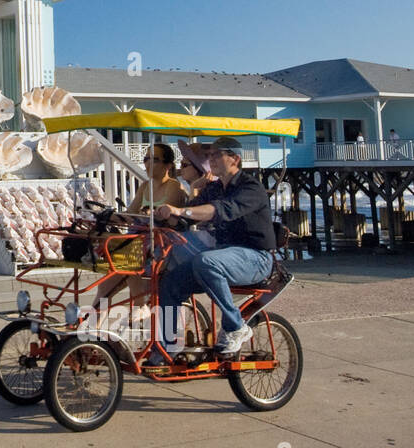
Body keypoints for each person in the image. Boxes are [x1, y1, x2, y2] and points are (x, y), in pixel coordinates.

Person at [152, 136, 276, 362]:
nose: (211, 159)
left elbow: (221, 210)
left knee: (206, 261)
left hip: (256, 258)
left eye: (217, 155)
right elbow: (187, 218)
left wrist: (181, 212)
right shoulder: (214, 188)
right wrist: (164, 216)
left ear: (235, 159)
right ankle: (167, 345)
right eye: (209, 156)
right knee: (169, 281)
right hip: (224, 253)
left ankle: (235, 325)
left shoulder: (251, 188)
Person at [92, 143, 188, 312]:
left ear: (168, 165)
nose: (148, 163)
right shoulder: (145, 186)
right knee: (104, 287)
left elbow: (166, 216)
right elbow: (131, 213)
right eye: (146, 159)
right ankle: (92, 330)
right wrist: (109, 216)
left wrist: (150, 213)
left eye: (154, 160)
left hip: (160, 245)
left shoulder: (174, 187)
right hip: (138, 242)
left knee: (126, 259)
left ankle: (140, 305)